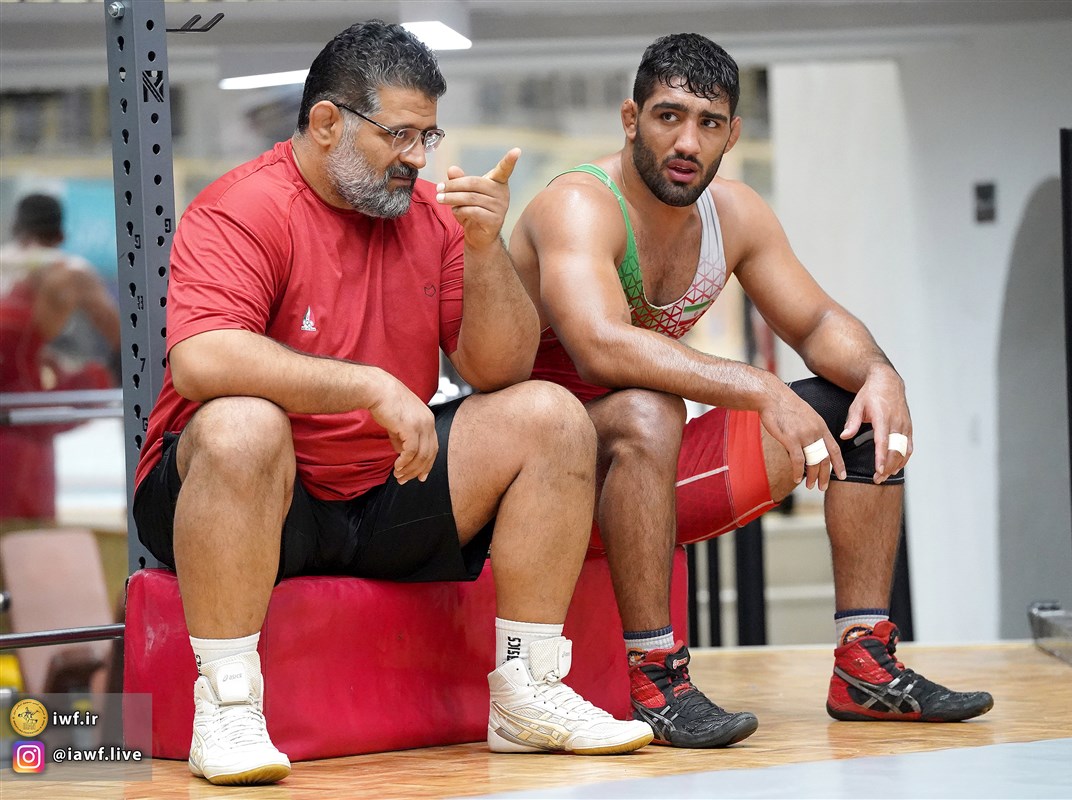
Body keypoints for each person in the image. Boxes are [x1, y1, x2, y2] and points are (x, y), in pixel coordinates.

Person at [132, 21, 652, 787]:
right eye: (399, 135)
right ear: (326, 122)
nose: (417, 156)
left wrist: (485, 248)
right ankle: (229, 705)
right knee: (244, 423)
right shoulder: (244, 206)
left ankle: (529, 688)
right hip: (253, 495)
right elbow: (202, 359)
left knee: (549, 414)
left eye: (427, 136)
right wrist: (370, 385)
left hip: (381, 490)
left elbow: (500, 368)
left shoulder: (432, 215)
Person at [510, 32, 994, 748]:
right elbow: (600, 344)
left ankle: (865, 665)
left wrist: (881, 373)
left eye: (708, 123)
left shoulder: (734, 215)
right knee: (649, 409)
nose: (688, 141)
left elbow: (819, 321)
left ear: (732, 134)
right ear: (630, 119)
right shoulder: (579, 204)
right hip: (544, 488)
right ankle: (656, 680)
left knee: (857, 409)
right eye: (668, 116)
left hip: (647, 483)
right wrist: (760, 387)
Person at [0, 193, 120, 521]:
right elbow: (124, 338)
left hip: (13, 403)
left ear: (16, 228)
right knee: (27, 535)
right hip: (24, 420)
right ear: (60, 235)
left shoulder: (5, 262)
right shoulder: (66, 271)